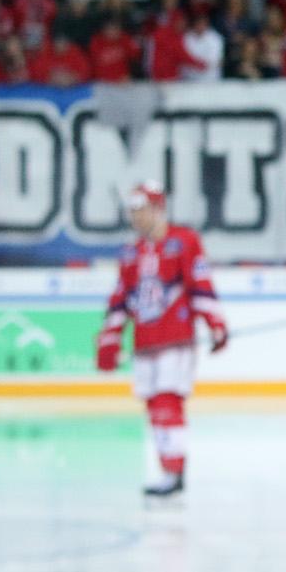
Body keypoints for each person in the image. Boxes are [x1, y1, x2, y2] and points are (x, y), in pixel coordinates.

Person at [95, 182, 228, 496]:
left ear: (157, 209)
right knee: (154, 405)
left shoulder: (184, 242)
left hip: (175, 342)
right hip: (145, 343)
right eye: (132, 212)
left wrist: (215, 322)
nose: (135, 217)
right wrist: (110, 337)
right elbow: (121, 298)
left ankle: (174, 470)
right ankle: (168, 469)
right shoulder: (131, 253)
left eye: (140, 210)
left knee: (168, 401)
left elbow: (200, 283)